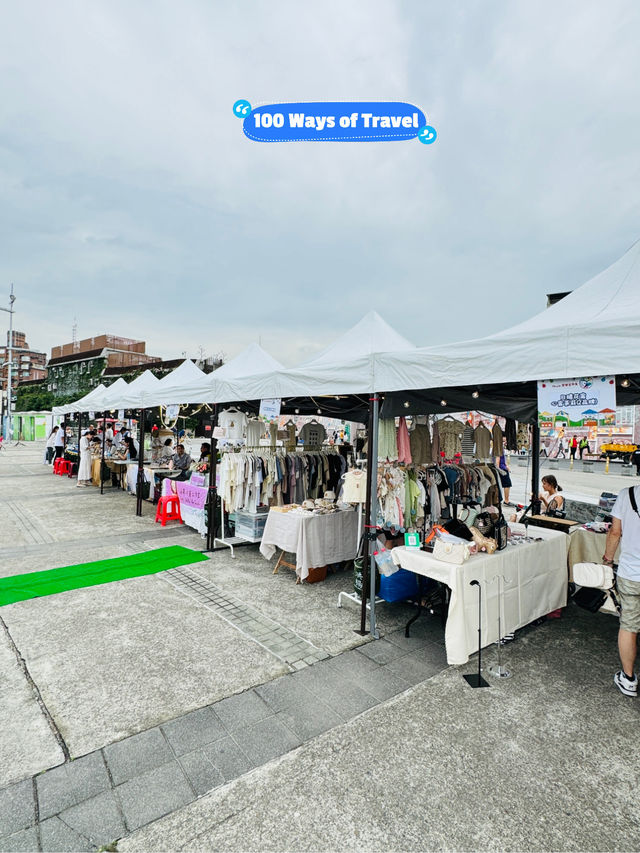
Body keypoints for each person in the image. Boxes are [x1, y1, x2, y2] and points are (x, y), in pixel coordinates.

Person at [604, 485, 640, 697]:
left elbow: (615, 532)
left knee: (629, 625)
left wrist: (607, 560)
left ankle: (628, 679)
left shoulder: (627, 495)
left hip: (631, 572)